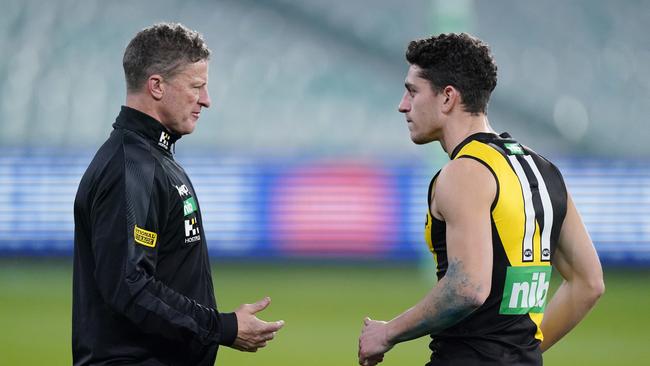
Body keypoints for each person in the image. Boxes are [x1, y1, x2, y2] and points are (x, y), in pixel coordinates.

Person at [357, 33, 605, 366]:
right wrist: (520, 352)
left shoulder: (464, 173)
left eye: (413, 91)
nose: (403, 104)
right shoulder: (543, 169)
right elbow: (589, 283)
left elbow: (467, 287)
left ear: (447, 97)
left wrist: (387, 333)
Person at [72, 23, 284, 366]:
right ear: (156, 86)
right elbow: (129, 285)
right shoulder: (131, 168)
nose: (206, 100)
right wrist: (223, 327)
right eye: (196, 87)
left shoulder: (152, 159)